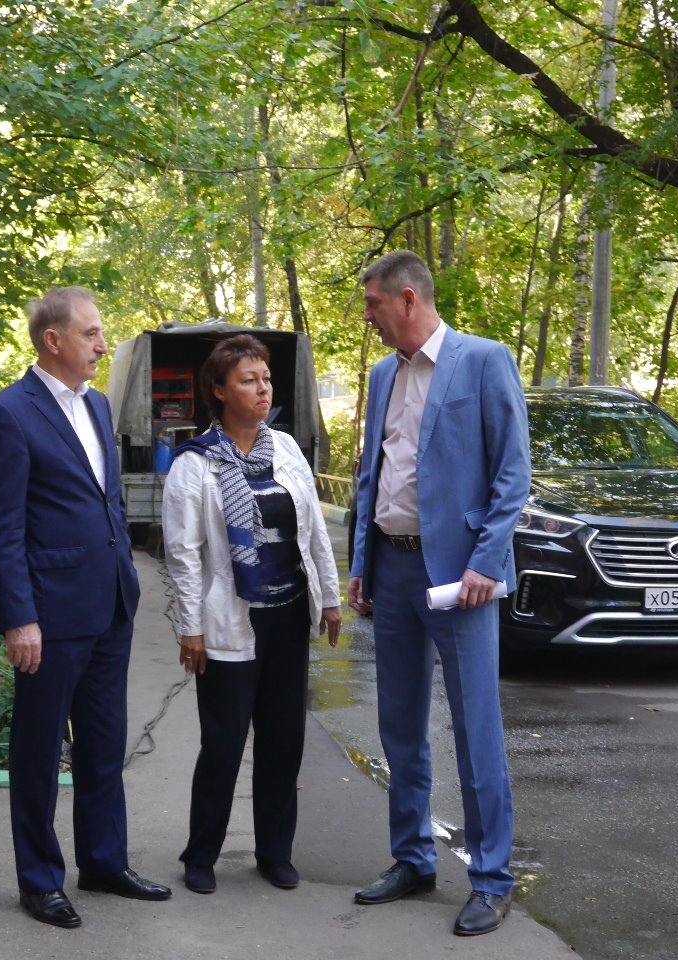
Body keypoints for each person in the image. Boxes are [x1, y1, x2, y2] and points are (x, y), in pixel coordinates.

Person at [0, 286, 171, 930]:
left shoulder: (98, 404)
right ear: (52, 340)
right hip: (49, 617)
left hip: (109, 605)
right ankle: (39, 880)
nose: (103, 345)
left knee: (104, 745)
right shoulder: (8, 414)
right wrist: (19, 617)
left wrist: (126, 575)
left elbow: (107, 500)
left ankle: (105, 862)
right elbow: (1, 530)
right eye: (91, 334)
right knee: (37, 753)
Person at [347, 251, 530, 936]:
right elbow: (372, 474)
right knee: (399, 726)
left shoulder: (482, 361)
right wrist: (361, 561)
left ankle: (491, 879)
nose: (368, 317)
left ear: (407, 299)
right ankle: (413, 858)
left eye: (373, 304)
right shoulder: (382, 374)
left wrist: (487, 561)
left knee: (475, 730)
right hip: (393, 570)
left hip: (461, 580)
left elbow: (513, 472)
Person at [161, 334, 342, 896]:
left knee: (284, 740)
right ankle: (201, 855)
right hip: (229, 622)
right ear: (218, 390)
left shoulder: (284, 449)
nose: (263, 389)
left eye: (265, 379)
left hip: (286, 617)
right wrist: (190, 627)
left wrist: (329, 597)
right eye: (248, 380)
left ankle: (274, 852)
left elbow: (313, 530)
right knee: (223, 743)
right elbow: (183, 555)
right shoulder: (195, 464)